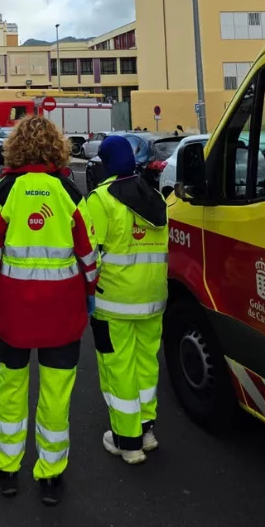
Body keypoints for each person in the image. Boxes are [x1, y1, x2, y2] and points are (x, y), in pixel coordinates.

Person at [0, 116, 98, 507]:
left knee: (10, 388)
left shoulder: (6, 188)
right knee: (56, 395)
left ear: (15, 147)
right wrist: (90, 290)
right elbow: (87, 250)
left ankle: (7, 468)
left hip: (14, 310)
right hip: (63, 310)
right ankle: (50, 474)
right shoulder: (67, 189)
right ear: (56, 147)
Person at [83, 135, 168, 465]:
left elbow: (90, 255)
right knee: (147, 365)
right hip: (153, 298)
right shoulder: (156, 196)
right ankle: (147, 431)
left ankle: (126, 441)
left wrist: (87, 292)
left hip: (114, 302)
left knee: (118, 368)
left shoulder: (101, 200)